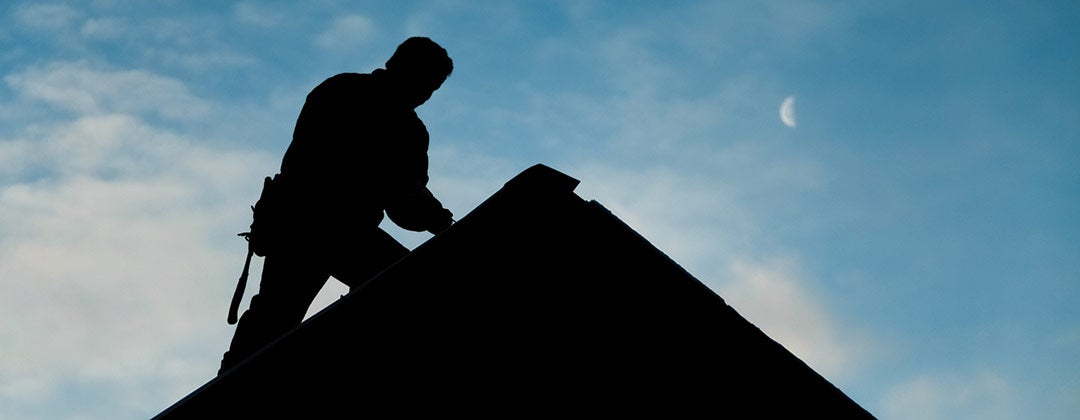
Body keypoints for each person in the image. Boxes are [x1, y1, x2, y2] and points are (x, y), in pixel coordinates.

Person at [219, 37, 455, 375]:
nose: (425, 94)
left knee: (275, 314)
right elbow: (401, 194)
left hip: (315, 226)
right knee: (278, 313)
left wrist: (431, 215)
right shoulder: (377, 111)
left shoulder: (348, 94)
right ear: (401, 67)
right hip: (316, 225)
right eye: (426, 82)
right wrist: (434, 217)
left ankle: (236, 374)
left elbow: (404, 201)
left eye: (432, 87)